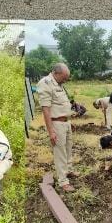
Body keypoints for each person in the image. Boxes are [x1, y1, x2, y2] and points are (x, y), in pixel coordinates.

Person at [36, 63, 76, 192]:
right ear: (56, 73)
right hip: (56, 123)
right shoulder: (46, 83)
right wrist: (51, 131)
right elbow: (46, 109)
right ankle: (63, 181)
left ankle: (68, 170)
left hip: (66, 122)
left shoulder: (59, 84)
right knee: (60, 153)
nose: (65, 80)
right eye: (64, 77)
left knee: (68, 148)